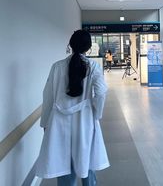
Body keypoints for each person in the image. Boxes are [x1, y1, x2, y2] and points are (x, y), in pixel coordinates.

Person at [36, 30, 110, 186]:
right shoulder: (93, 67)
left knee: (63, 164)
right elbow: (102, 92)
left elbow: (48, 95)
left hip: (58, 121)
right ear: (88, 47)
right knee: (87, 161)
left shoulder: (57, 67)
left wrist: (45, 122)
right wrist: (97, 113)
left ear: (70, 45)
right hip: (85, 120)